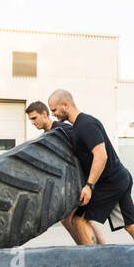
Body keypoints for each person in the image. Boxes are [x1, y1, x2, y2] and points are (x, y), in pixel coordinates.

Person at [48, 90, 134, 245]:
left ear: (65, 105)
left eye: (54, 109)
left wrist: (89, 186)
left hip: (111, 181)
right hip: (119, 177)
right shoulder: (78, 127)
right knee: (130, 226)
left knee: (79, 219)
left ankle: (94, 262)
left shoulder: (86, 124)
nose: (52, 114)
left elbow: (101, 156)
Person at [25, 101, 99, 245]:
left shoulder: (63, 129)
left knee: (80, 220)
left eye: (34, 118)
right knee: (68, 220)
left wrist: (88, 183)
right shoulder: (46, 136)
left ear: (44, 114)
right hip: (66, 184)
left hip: (81, 181)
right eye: (30, 120)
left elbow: (83, 151)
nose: (33, 123)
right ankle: (85, 247)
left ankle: (97, 249)